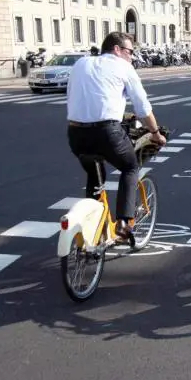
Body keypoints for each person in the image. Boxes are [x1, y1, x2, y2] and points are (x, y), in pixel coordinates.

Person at [66, 32, 166, 242]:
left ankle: (94, 229)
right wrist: (156, 134)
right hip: (107, 132)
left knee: (95, 174)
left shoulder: (80, 64)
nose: (132, 57)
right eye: (130, 52)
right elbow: (142, 108)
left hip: (76, 134)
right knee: (130, 168)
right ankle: (122, 223)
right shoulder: (123, 67)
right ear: (117, 49)